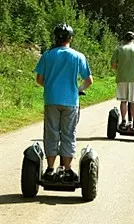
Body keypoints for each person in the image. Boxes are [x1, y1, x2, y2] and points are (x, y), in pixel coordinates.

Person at [35, 23, 93, 182]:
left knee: (51, 133)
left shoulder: (47, 55)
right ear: (71, 38)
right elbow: (89, 80)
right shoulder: (78, 56)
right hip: (71, 102)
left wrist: (51, 87)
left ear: (55, 38)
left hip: (51, 100)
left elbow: (39, 79)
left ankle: (50, 169)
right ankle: (67, 170)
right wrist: (78, 89)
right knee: (68, 134)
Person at [111, 31, 134, 131]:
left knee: (123, 101)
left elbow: (113, 65)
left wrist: (120, 68)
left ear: (124, 39)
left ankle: (123, 121)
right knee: (133, 102)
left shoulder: (119, 49)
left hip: (122, 78)